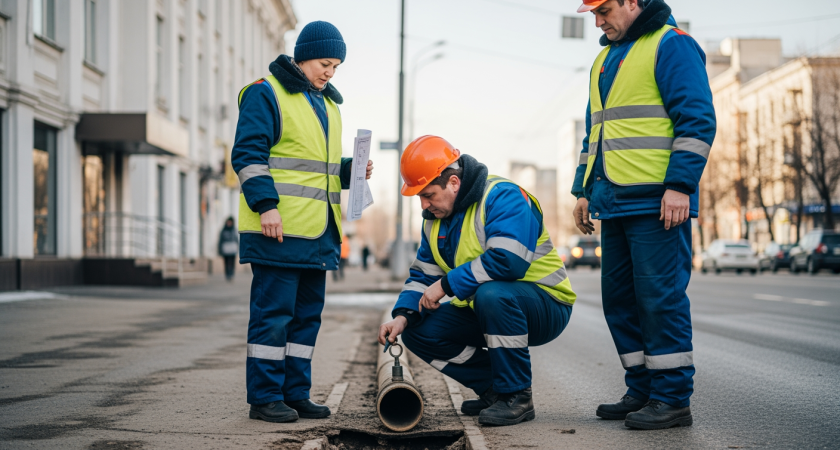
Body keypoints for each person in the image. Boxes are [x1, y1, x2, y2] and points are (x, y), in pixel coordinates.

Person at [571, 0, 716, 430]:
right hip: (613, 200)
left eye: (605, 10)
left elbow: (697, 120)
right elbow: (594, 134)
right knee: (620, 302)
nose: (598, 21)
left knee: (659, 300)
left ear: (633, 2)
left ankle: (671, 399)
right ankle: (642, 389)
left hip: (658, 202)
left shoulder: (671, 44)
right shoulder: (604, 60)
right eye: (593, 14)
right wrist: (583, 191)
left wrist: (680, 186)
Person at [378, 136, 576, 426]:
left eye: (428, 195)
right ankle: (495, 389)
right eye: (419, 197)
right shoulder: (434, 220)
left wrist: (445, 286)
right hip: (489, 308)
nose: (424, 204)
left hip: (545, 305)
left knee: (492, 294)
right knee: (418, 330)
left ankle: (517, 395)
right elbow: (423, 274)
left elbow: (508, 260)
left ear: (453, 182)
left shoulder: (502, 196)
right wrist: (403, 316)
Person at [232, 21, 373, 423]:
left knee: (307, 319)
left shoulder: (328, 105)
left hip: (318, 233)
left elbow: (315, 169)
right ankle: (264, 398)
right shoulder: (266, 93)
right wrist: (266, 206)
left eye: (336, 67)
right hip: (278, 229)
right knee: (273, 317)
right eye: (325, 63)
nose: (330, 73)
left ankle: (296, 393)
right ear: (304, 56)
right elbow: (248, 155)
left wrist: (350, 170)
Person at [218, 217, 239, 281]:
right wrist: (220, 250)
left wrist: (237, 247)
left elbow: (236, 240)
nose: (229, 223)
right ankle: (227, 274)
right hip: (225, 249)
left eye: (230, 222)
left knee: (232, 262)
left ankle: (231, 274)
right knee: (226, 262)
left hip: (233, 249)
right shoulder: (223, 230)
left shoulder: (234, 230)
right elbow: (220, 240)